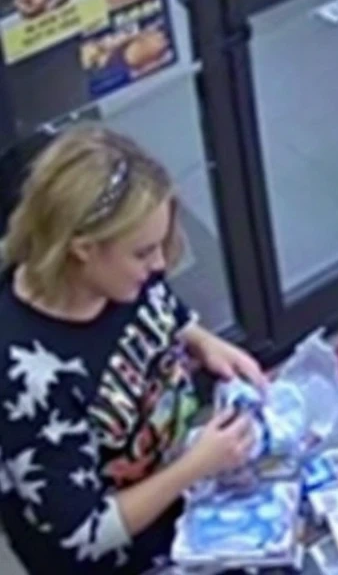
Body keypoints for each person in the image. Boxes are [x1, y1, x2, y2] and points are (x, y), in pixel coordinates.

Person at [0, 126, 269, 575]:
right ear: (83, 250)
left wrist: (199, 338)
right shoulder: (20, 376)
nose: (159, 265)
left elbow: (158, 304)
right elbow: (81, 532)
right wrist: (196, 466)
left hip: (183, 514)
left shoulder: (122, 274)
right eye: (144, 252)